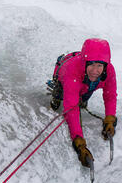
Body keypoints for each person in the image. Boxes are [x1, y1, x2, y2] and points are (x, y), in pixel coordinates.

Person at [48, 38, 117, 167]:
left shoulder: (109, 71)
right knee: (57, 103)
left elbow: (110, 96)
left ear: (105, 65)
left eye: (99, 66)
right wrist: (79, 143)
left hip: (85, 84)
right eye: (91, 64)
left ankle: (82, 97)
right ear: (85, 63)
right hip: (64, 77)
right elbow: (71, 110)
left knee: (83, 100)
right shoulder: (72, 71)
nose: (95, 71)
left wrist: (110, 119)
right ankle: (56, 97)